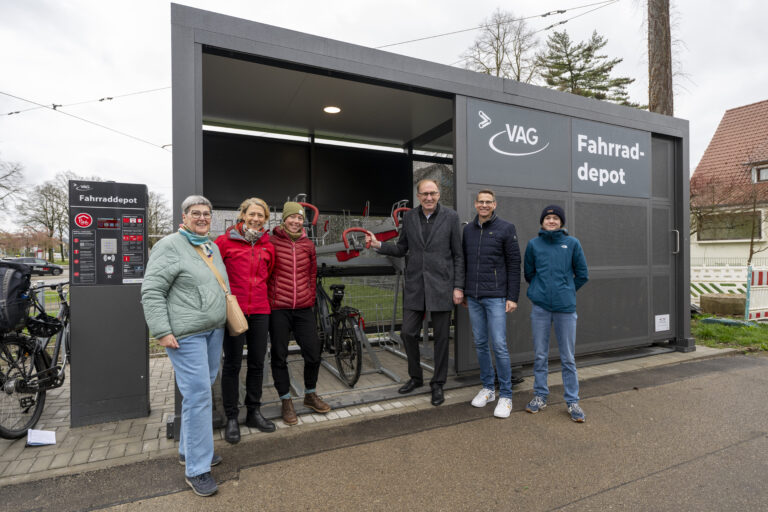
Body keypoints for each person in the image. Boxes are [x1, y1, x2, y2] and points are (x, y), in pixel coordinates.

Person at [141, 195, 226, 497]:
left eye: (206, 213)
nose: (202, 218)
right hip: (186, 335)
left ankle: (189, 450)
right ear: (184, 217)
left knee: (198, 393)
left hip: (212, 331)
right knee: (200, 394)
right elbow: (151, 291)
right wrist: (162, 331)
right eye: (195, 213)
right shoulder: (169, 245)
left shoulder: (210, 246)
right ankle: (197, 469)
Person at [366, 179, 465, 406]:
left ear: (439, 195)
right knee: (408, 333)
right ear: (418, 196)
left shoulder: (451, 217)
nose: (429, 197)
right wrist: (379, 245)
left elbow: (458, 255)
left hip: (442, 286)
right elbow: (402, 248)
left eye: (433, 193)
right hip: (415, 285)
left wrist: (458, 286)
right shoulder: (409, 217)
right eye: (424, 194)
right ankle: (416, 377)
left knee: (441, 338)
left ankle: (438, 383)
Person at [215, 198, 276, 444]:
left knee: (257, 363)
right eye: (252, 214)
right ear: (243, 215)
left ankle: (253, 412)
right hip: (234, 311)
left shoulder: (267, 245)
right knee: (232, 364)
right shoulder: (224, 242)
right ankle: (231, 416)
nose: (256, 219)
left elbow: (268, 276)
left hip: (261, 310)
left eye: (261, 215)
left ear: (265, 218)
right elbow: (215, 274)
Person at [523, 205, 589, 423]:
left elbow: (582, 274)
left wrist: (567, 290)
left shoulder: (572, 244)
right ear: (542, 222)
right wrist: (538, 292)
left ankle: (572, 401)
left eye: (555, 218)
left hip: (565, 309)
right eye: (548, 218)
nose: (551, 221)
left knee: (568, 358)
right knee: (540, 355)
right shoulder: (534, 244)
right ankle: (540, 395)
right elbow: (529, 273)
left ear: (561, 222)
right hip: (540, 308)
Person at [269, 201, 331, 425]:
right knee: (279, 354)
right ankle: (286, 400)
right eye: (291, 217)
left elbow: (312, 274)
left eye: (299, 218)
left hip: (304, 307)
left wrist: (309, 296)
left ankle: (310, 394)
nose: (295, 221)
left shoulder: (308, 245)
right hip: (279, 308)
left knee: (313, 352)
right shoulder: (271, 241)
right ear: (284, 219)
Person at [462, 189, 521, 418]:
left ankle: (506, 395)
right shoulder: (468, 230)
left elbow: (514, 264)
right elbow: (464, 262)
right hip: (474, 297)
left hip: (496, 296)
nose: (484, 205)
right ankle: (488, 388)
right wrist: (467, 291)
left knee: (499, 345)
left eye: (488, 202)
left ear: (495, 204)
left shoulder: (506, 228)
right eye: (481, 201)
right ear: (475, 204)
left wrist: (512, 297)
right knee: (480, 343)